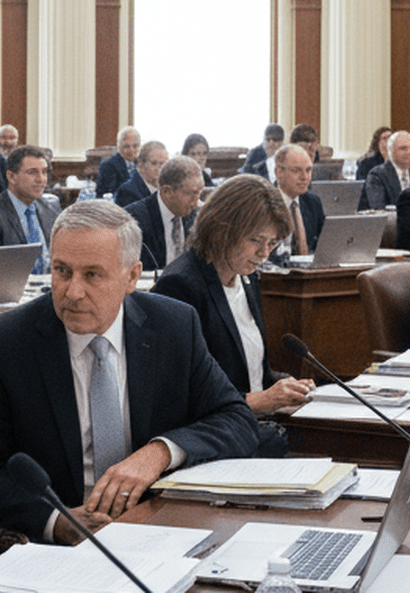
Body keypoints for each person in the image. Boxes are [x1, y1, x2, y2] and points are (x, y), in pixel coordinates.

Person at [0, 200, 257, 543]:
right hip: (58, 546)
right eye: (62, 271)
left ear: (132, 277)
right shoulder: (1, 346)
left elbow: (236, 419)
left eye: (92, 275)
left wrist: (159, 453)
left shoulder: (174, 325)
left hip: (159, 526)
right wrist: (56, 521)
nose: (72, 292)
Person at [152, 175, 313, 457]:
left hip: (253, 430)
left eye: (272, 243)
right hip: (214, 441)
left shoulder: (246, 278)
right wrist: (260, 401)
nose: (263, 253)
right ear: (223, 228)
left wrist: (288, 388)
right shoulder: (181, 285)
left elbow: (252, 373)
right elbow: (178, 398)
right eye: (256, 240)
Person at [0, 145, 59, 273]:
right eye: (32, 172)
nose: (41, 179)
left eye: (44, 172)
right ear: (12, 177)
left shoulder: (50, 208)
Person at [122, 155, 201, 272]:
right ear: (167, 191)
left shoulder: (194, 215)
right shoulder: (133, 220)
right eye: (190, 193)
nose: (196, 202)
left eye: (198, 193)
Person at [271, 144, 323, 260]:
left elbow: (325, 243)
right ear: (279, 172)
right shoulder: (264, 203)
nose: (304, 177)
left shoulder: (313, 202)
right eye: (296, 171)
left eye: (308, 170)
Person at [359, 130, 410, 210]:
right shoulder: (377, 175)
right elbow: (379, 210)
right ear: (391, 151)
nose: (409, 152)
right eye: (403, 148)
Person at [111, 140, 167, 209]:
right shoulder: (127, 191)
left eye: (163, 164)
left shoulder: (168, 188)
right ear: (141, 164)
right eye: (154, 163)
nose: (159, 168)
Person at [96, 127, 140, 198]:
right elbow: (109, 194)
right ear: (119, 146)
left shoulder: (143, 164)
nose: (131, 150)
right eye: (127, 146)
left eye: (135, 146)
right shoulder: (108, 166)